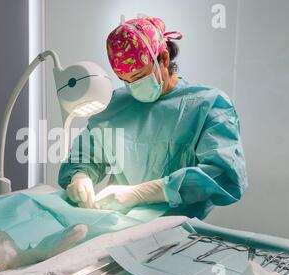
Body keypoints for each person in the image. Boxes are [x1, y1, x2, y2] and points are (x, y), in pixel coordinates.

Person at [59, 16, 248, 219]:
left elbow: (223, 174)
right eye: (125, 80)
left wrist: (142, 193)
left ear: (164, 59)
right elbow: (85, 155)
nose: (133, 87)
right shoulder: (115, 105)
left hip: (178, 230)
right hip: (117, 223)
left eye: (139, 77)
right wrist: (80, 176)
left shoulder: (209, 105)